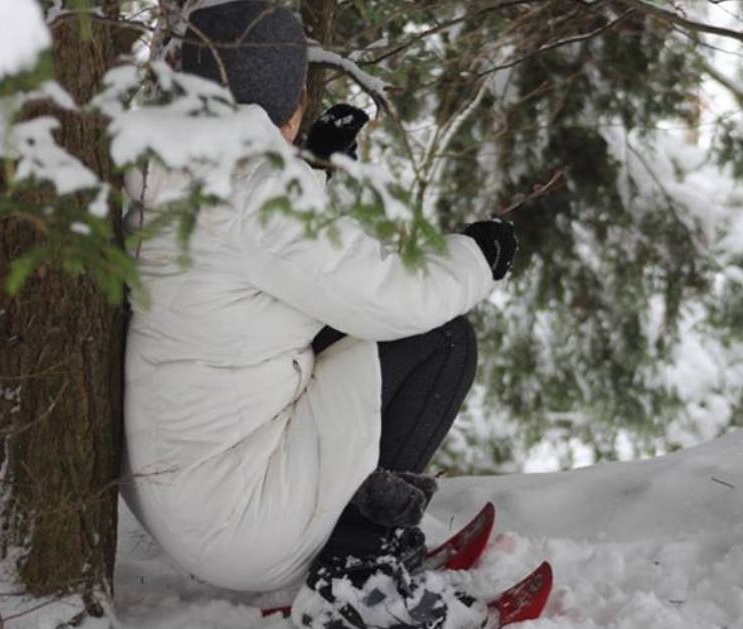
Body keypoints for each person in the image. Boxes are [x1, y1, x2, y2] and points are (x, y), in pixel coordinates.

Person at [120, 2, 517, 627]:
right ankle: (358, 564)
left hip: (184, 494)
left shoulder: (167, 176)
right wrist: (475, 257)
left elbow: (276, 272)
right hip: (241, 521)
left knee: (348, 332)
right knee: (440, 341)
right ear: (289, 100)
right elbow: (391, 295)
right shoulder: (254, 198)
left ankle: (352, 536)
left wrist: (318, 169)